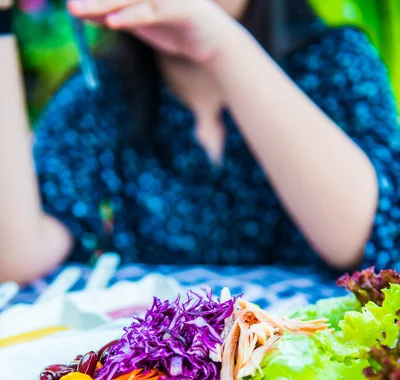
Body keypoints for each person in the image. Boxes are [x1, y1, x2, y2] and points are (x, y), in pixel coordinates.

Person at [1, 0, 400, 283]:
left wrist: (221, 44)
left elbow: (369, 237)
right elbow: (16, 258)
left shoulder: (335, 63)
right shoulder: (96, 95)